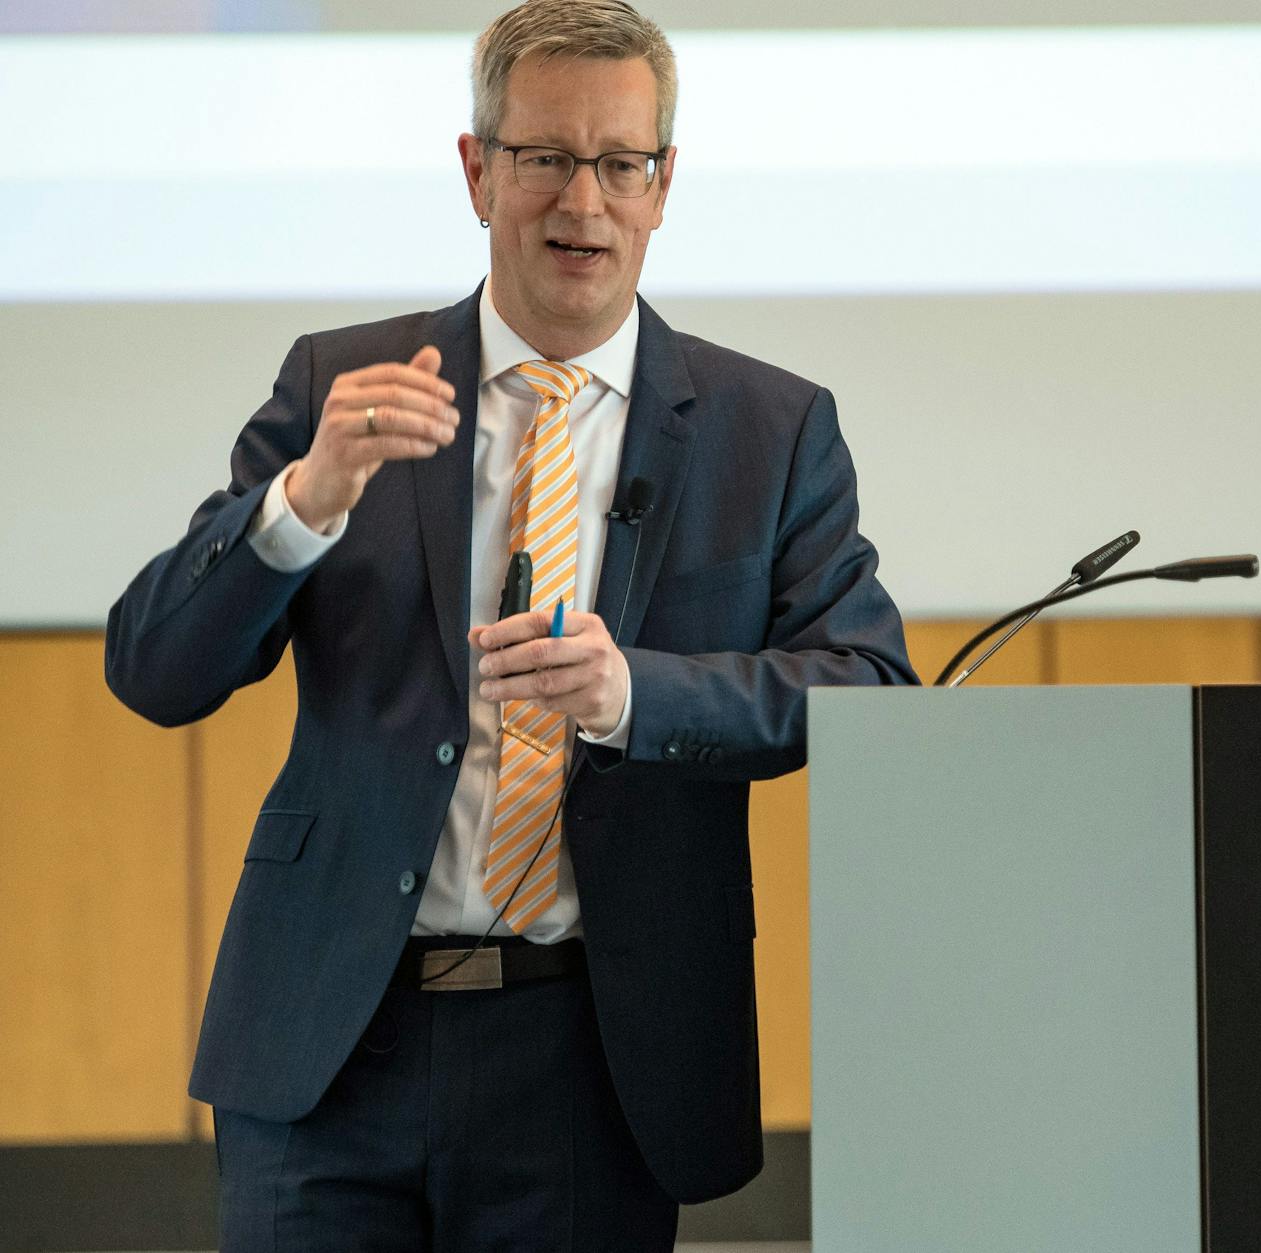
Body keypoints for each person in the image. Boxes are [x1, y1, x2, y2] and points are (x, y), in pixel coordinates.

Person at [104, 2, 915, 1248]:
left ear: (662, 186)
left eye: (619, 163)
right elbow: (156, 670)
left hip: (593, 1057)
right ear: (477, 171)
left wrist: (633, 694)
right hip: (332, 1041)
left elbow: (865, 682)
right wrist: (299, 504)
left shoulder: (767, 427)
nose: (581, 201)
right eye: (544, 157)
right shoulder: (343, 388)